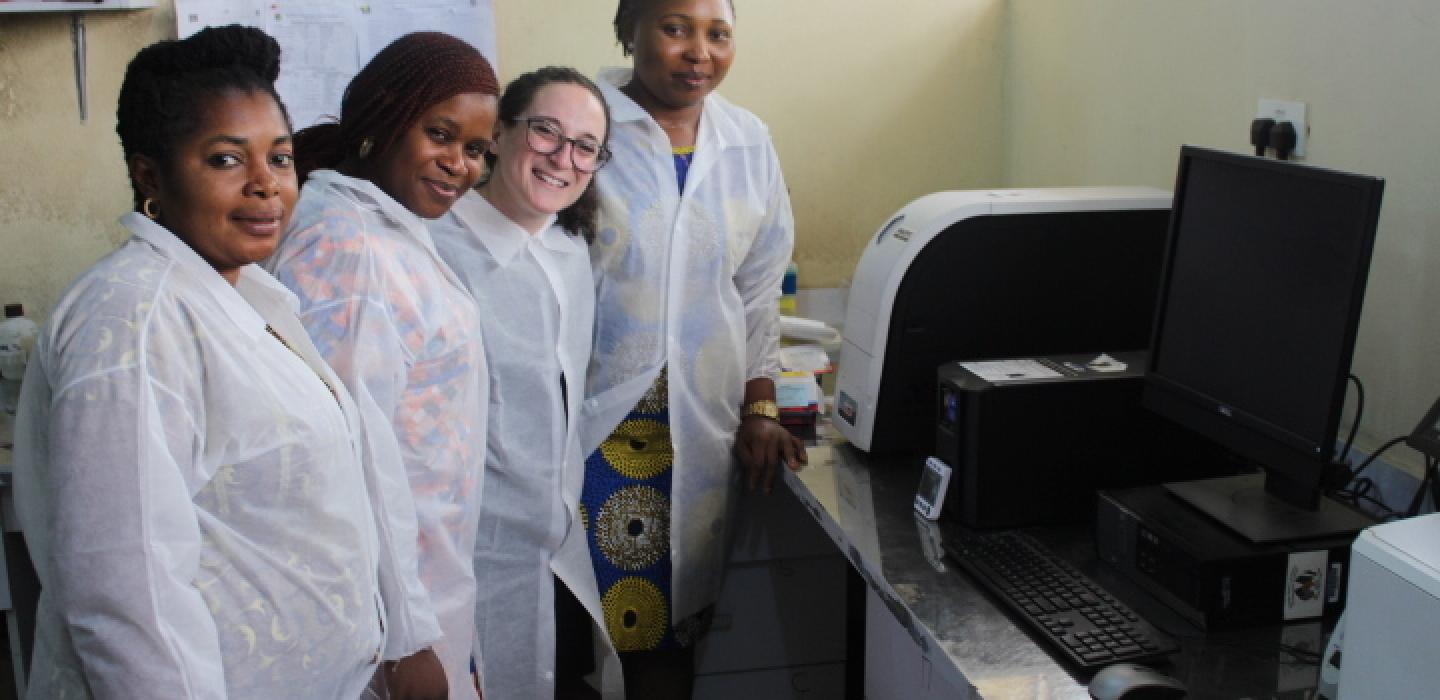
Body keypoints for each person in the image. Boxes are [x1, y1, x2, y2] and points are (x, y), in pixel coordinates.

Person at [12, 25, 394, 699]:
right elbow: (127, 598)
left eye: (280, 158)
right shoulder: (132, 323)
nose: (265, 186)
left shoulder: (244, 295)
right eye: (225, 159)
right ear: (150, 174)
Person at [580, 0, 807, 695]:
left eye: (718, 34)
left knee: (676, 628)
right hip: (599, 427)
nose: (698, 51)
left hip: (703, 428)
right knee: (609, 633)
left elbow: (759, 282)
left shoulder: (746, 142)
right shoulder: (583, 128)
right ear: (630, 31)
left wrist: (762, 405)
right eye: (675, 28)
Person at [265, 32, 499, 700]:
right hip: (387, 615)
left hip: (426, 580)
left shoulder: (385, 227)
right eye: (441, 134)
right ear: (384, 120)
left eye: (477, 149)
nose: (458, 163)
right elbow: (354, 456)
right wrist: (405, 639)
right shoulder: (348, 249)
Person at [435, 66, 623, 700]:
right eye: (545, 130)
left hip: (557, 552)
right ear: (498, 134)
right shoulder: (439, 250)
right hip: (462, 553)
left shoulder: (571, 251)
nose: (562, 158)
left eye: (585, 146)